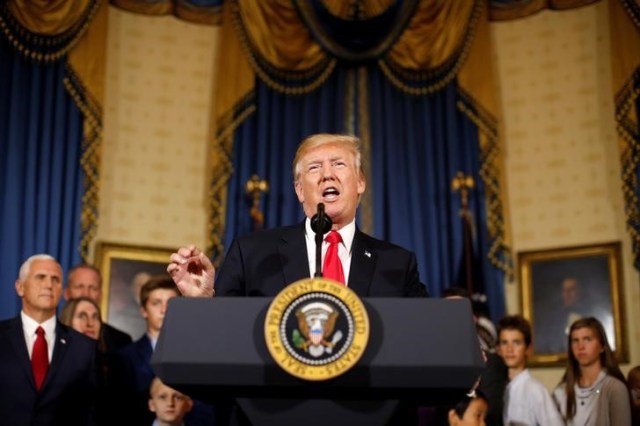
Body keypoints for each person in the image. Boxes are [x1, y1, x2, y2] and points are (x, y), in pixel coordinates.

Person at [167, 133, 428, 424]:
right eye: (314, 168)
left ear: (361, 183)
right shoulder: (253, 252)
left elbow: (421, 343)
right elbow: (223, 348)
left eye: (338, 164)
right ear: (299, 190)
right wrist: (204, 303)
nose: (327, 174)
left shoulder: (397, 262)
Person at [0, 254, 98, 425]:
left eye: (55, 280)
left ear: (62, 291)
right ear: (20, 287)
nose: (48, 285)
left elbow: (89, 411)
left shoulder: (83, 348)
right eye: (40, 277)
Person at [111, 275, 214, 426]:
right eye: (156, 303)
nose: (164, 310)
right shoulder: (124, 357)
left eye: (171, 303)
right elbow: (119, 411)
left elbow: (207, 405)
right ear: (143, 311)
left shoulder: (197, 354)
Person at [552, 317, 631, 425]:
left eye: (587, 339)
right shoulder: (560, 392)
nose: (581, 346)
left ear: (602, 346)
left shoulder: (615, 388)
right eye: (575, 340)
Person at [60, 296, 117, 426]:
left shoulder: (113, 365)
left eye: (95, 317)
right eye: (82, 316)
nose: (90, 323)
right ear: (67, 321)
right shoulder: (54, 364)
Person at [496, 315, 563, 425]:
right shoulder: (497, 388)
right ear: (498, 349)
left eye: (516, 343)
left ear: (528, 349)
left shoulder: (536, 391)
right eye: (504, 343)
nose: (509, 349)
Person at [65, 263, 133, 352]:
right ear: (67, 293)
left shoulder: (121, 342)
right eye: (79, 287)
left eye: (93, 288)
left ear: (100, 295)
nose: (86, 294)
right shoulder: (49, 333)